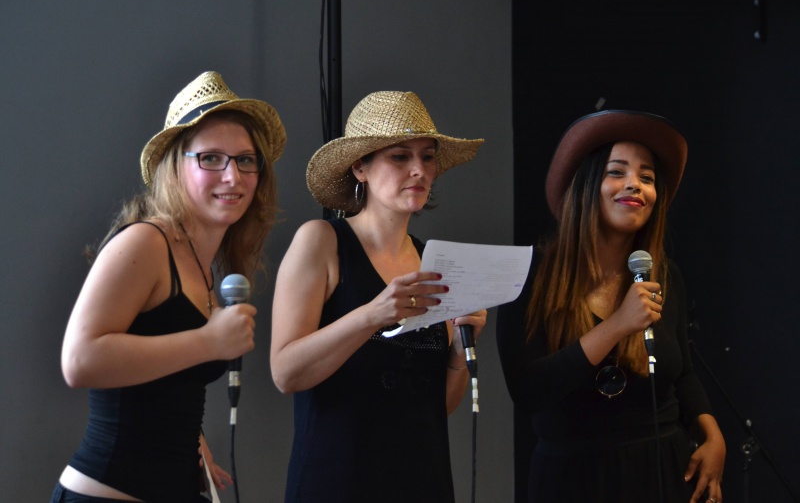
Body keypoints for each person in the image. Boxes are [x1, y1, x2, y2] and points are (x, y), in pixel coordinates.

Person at [51, 71, 286, 502]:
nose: (233, 177)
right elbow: (80, 361)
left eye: (245, 160)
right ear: (175, 166)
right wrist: (208, 341)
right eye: (211, 158)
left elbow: (158, 377)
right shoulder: (147, 242)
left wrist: (191, 439)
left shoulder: (200, 262)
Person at [496, 110, 726, 503]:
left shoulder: (663, 274)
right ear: (586, 185)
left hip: (660, 469)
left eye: (647, 178)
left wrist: (712, 433)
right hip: (570, 478)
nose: (635, 184)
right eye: (617, 172)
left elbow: (682, 373)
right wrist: (618, 325)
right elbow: (528, 391)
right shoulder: (531, 273)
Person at [271, 91, 487, 503]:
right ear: (360, 167)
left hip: (423, 483)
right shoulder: (321, 241)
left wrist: (462, 350)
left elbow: (437, 406)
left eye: (427, 157)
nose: (418, 170)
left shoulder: (432, 262)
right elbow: (285, 373)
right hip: (337, 482)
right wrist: (372, 314)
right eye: (400, 157)